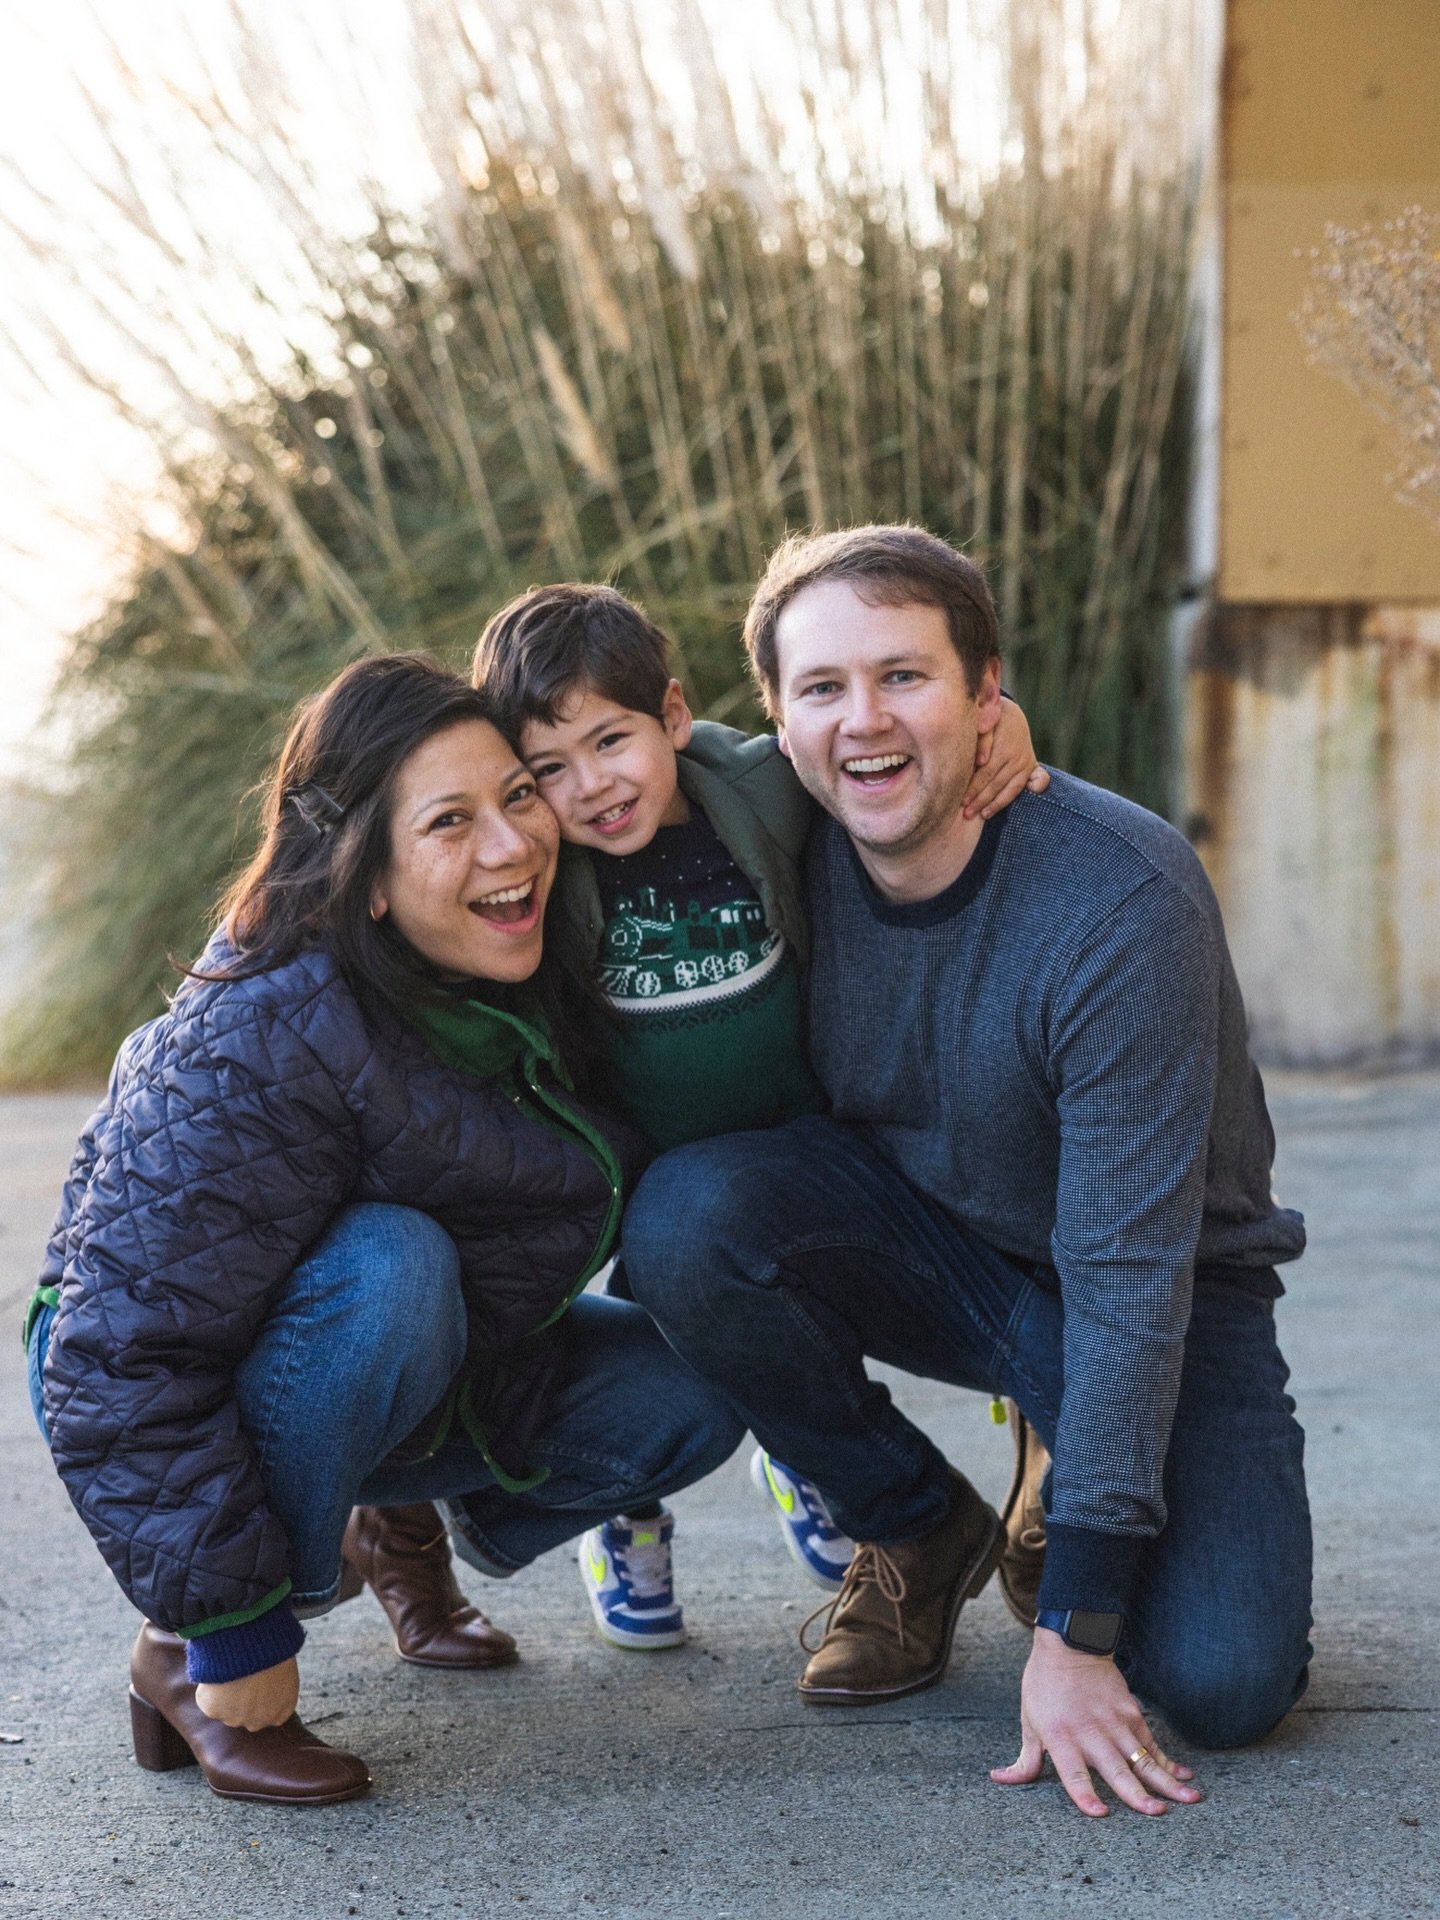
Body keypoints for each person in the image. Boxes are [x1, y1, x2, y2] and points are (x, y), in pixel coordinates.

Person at [618, 525, 1312, 1819]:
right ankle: (913, 1523)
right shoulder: (772, 836)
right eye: (823, 689)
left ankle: (1068, 1461)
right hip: (934, 1246)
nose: (864, 722)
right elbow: (565, 768)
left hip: (1166, 1284)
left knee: (1224, 1682)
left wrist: (1078, 1635)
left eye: (906, 676)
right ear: (775, 725)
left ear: (987, 690)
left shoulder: (1117, 900)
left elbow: (1128, 1273)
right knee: (689, 1221)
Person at [25, 654, 744, 1806]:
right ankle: (180, 1653)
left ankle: (387, 1518)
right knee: (391, 1266)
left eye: (519, 796)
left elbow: (689, 789)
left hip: (411, 1349)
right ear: (363, 877)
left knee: (696, 1387)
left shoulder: (544, 953)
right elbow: (117, 1355)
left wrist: (982, 751)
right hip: (141, 1358)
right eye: (450, 822)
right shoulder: (263, 1032)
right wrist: (230, 1632)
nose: (512, 845)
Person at [473, 584, 1047, 1649]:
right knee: (642, 1340)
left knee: (792, 1326)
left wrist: (998, 724)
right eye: (548, 768)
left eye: (611, 741)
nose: (591, 786)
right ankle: (627, 1513)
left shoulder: (758, 791)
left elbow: (870, 755)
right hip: (651, 1175)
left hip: (803, 1148)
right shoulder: (538, 866)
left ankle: (809, 1456)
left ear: (673, 716)